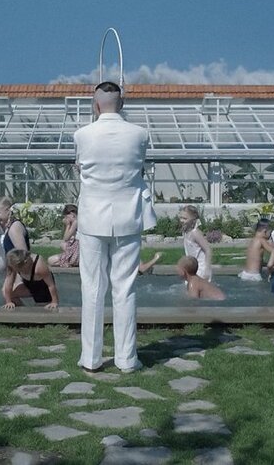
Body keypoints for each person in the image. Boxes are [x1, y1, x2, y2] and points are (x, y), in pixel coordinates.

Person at [74, 80, 156, 374]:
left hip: (93, 217)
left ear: (96, 104)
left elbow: (82, 165)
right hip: (128, 215)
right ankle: (126, 358)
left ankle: (91, 357)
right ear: (121, 104)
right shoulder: (139, 134)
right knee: (125, 288)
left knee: (92, 288)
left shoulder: (82, 134)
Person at [179, 205, 213, 282]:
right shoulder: (186, 231)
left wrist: (207, 269)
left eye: (185, 218)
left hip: (201, 268)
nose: (181, 220)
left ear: (193, 219)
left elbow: (208, 250)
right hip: (191, 268)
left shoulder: (195, 233)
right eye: (181, 217)